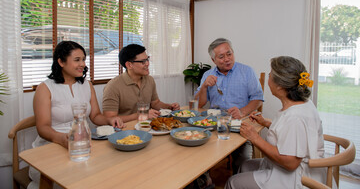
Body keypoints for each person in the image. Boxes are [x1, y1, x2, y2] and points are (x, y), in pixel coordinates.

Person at [28, 41, 125, 189]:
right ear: (61, 62)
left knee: (108, 174)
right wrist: (62, 139)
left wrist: (110, 119)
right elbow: (42, 127)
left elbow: (95, 116)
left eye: (84, 59)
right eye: (77, 60)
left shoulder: (86, 85)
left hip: (83, 143)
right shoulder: (45, 88)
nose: (83, 64)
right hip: (52, 145)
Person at [225, 56, 326, 189]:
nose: (268, 78)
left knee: (232, 182)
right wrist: (266, 123)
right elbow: (291, 134)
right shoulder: (303, 103)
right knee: (245, 165)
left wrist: (254, 138)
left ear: (279, 86)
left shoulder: (295, 116)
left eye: (270, 75)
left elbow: (290, 163)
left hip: (295, 178)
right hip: (299, 169)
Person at [195, 38, 264, 173]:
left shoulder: (247, 71)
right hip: (214, 124)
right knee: (198, 149)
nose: (227, 59)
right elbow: (199, 103)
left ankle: (239, 182)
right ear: (213, 60)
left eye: (229, 54)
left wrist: (242, 111)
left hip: (240, 123)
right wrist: (204, 87)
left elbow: (258, 99)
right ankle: (204, 180)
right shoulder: (208, 75)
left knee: (243, 160)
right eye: (221, 57)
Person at [102, 44, 180, 122]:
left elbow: (155, 103)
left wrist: (169, 107)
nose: (147, 64)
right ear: (129, 65)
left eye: (147, 59)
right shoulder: (113, 86)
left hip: (148, 126)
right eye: (143, 61)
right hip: (125, 130)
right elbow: (109, 118)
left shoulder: (150, 80)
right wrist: (142, 114)